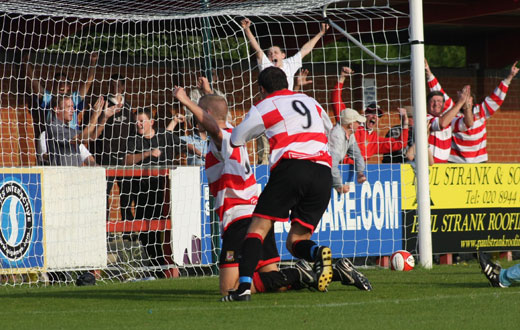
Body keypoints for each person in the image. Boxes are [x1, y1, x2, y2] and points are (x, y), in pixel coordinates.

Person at [173, 86, 316, 296]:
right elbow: (219, 114)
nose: (196, 118)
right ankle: (300, 274)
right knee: (274, 282)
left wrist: (186, 100)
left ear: (208, 115)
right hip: (257, 217)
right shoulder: (233, 131)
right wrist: (208, 91)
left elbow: (213, 125)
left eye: (200, 113)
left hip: (239, 219)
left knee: (229, 289)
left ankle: (297, 274)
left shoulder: (221, 138)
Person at [220, 67, 341, 302]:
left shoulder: (267, 104)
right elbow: (327, 128)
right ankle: (318, 253)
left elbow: (236, 138)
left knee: (257, 229)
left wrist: (263, 126)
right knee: (296, 242)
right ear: (286, 82)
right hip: (323, 172)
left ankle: (243, 288)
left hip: (293, 167)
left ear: (262, 90)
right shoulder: (310, 100)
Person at [425, 60, 519, 163]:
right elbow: (438, 93)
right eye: (463, 95)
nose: (465, 99)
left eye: (467, 97)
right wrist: (429, 73)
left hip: (479, 161)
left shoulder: (481, 110)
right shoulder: (452, 109)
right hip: (456, 161)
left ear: (472, 100)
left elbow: (496, 98)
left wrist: (509, 77)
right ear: (458, 95)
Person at [82, 74, 135, 221]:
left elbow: (132, 132)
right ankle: (105, 229)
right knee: (104, 193)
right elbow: (90, 130)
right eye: (112, 84)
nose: (114, 87)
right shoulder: (102, 103)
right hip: (104, 158)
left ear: (123, 87)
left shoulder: (128, 107)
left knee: (127, 194)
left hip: (122, 158)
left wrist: (128, 152)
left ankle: (127, 229)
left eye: (118, 84)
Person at [241, 18, 329, 91]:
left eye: (276, 52)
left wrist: (321, 33)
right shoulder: (267, 66)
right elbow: (258, 50)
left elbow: (305, 50)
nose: (272, 55)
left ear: (283, 55)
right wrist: (247, 29)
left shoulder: (289, 64)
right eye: (269, 54)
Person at [23, 52, 99, 137]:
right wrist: (26, 63)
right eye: (58, 83)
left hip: (72, 138)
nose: (61, 85)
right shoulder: (49, 98)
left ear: (69, 86)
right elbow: (34, 83)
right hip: (54, 138)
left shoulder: (74, 99)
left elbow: (88, 83)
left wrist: (93, 62)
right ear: (54, 86)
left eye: (64, 82)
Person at [44, 94, 120, 166]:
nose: (72, 110)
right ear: (57, 109)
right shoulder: (54, 127)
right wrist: (94, 116)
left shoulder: (68, 129)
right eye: (68, 107)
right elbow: (83, 138)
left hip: (73, 175)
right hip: (61, 176)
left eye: (72, 107)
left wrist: (104, 117)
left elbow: (92, 136)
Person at [425, 77, 473, 163]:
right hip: (427, 166)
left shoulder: (448, 120)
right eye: (433, 101)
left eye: (439, 101)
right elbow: (442, 124)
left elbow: (468, 124)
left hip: (443, 167)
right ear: (427, 104)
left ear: (444, 104)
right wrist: (460, 102)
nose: (436, 104)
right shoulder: (425, 118)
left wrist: (467, 106)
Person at [329, 108, 367, 194]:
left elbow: (357, 155)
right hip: (317, 171)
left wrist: (360, 172)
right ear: (350, 125)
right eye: (357, 122)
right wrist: (339, 186)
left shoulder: (350, 134)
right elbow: (331, 164)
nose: (360, 124)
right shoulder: (336, 137)